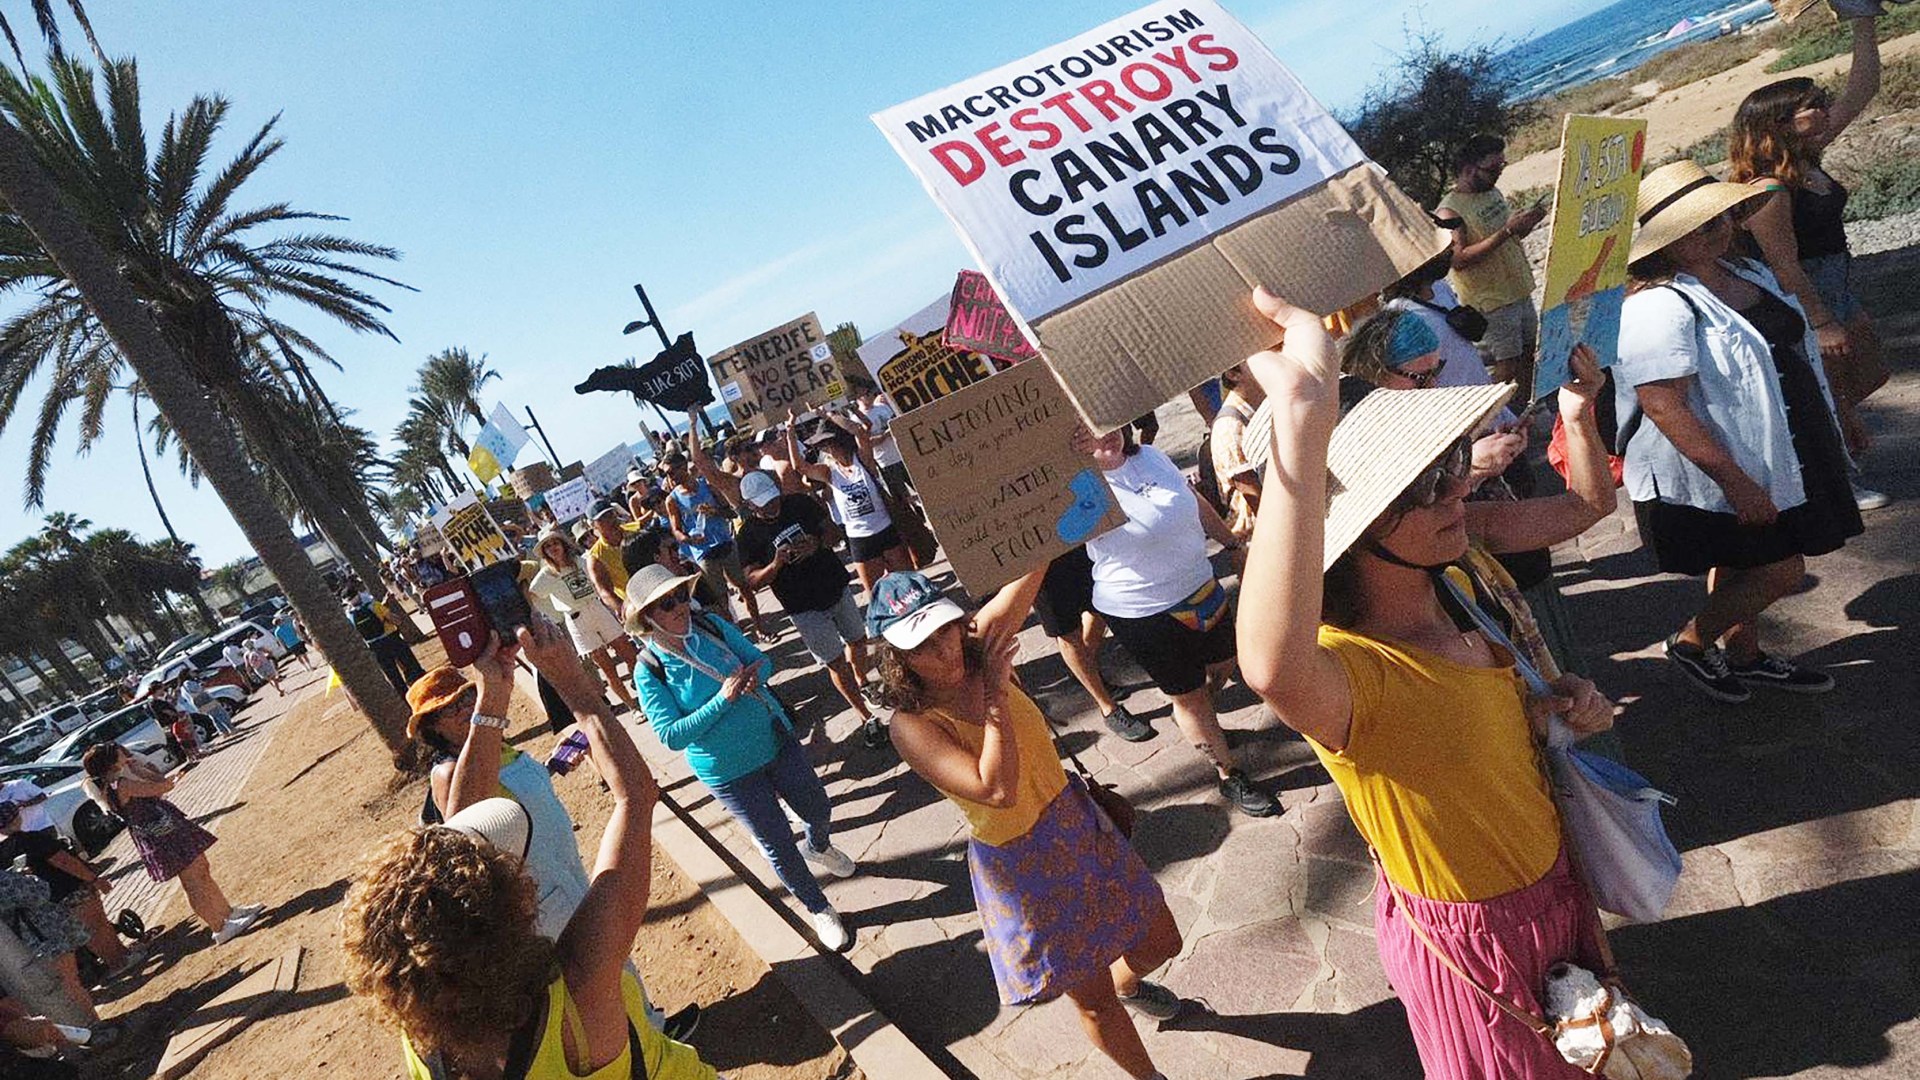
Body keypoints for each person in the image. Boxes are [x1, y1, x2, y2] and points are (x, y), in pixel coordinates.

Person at [1232, 288, 1618, 1078]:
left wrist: (1556, 710)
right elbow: (1268, 665)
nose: (1455, 490)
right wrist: (1304, 421)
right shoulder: (1347, 671)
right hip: (1471, 944)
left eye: (1447, 466)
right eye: (1419, 485)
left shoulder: (1457, 585)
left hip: (1553, 888)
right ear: (1353, 529)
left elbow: (1477, 744)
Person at [343, 617, 716, 1080]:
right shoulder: (581, 980)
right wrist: (572, 684)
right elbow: (636, 797)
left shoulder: (425, 1046)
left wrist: (494, 695)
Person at [872, 570, 1186, 1080]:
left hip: (1076, 821)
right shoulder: (913, 725)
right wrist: (995, 693)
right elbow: (996, 789)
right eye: (922, 646)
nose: (946, 652)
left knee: (1160, 941)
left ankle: (1128, 984)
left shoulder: (979, 645)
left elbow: (1031, 565)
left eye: (945, 631)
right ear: (898, 658)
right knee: (1093, 1000)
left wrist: (1061, 505)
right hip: (1022, 863)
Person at [1617, 161, 1859, 702]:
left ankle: (1745, 656)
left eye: (1721, 217)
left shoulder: (1748, 273)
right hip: (1724, 465)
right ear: (1667, 240)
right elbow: (1662, 404)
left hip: (1785, 445)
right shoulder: (1658, 305)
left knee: (1741, 563)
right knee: (1781, 568)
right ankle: (1689, 642)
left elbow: (1793, 354)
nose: (1718, 230)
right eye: (1699, 226)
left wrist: (1842, 414)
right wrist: (1735, 481)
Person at [624, 564, 860, 952]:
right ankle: (819, 908)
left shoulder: (713, 627)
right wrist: (722, 700)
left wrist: (755, 675)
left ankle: (818, 845)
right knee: (778, 843)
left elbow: (762, 661)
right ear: (648, 618)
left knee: (817, 806)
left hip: (775, 737)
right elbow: (670, 736)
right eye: (667, 603)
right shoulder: (649, 670)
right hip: (729, 772)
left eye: (681, 595)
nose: (680, 606)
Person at [1073, 424, 1276, 817]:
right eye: (1089, 432)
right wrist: (1073, 463)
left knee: (1224, 665)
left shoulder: (1150, 456)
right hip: (1142, 610)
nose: (1106, 434)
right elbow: (1060, 529)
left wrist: (1231, 542)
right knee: (1189, 694)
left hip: (1201, 589)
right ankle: (1228, 773)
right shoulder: (1079, 484)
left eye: (1108, 423)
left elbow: (1195, 500)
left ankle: (1197, 716)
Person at [1729, 15, 1889, 510]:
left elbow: (1862, 90)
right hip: (1806, 294)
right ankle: (1837, 479)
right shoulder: (1769, 188)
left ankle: (1815, 442)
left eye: (1821, 101)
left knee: (1870, 371)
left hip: (1836, 281)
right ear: (1778, 124)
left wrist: (1864, 22)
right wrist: (1819, 322)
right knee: (1832, 385)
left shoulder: (1804, 157)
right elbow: (1784, 264)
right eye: (1811, 106)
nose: (1823, 109)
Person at [734, 471, 887, 747]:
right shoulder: (747, 536)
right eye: (764, 504)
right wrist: (776, 563)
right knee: (835, 661)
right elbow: (752, 581)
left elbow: (834, 531)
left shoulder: (799, 504)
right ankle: (865, 716)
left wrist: (817, 542)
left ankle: (863, 680)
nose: (772, 506)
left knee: (858, 640)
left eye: (773, 499)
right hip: (802, 605)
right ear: (750, 506)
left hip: (834, 585)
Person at [80, 743, 263, 946]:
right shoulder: (121, 784)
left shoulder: (114, 784)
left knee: (201, 870)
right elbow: (164, 785)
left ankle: (228, 913)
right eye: (117, 751)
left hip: (165, 830)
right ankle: (218, 927)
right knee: (193, 881)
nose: (123, 752)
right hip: (163, 834)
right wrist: (140, 769)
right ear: (111, 762)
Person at [1434, 134, 1548, 395]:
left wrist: (1524, 224)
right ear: (1468, 169)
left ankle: (1527, 407)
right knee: (1506, 364)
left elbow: (1506, 236)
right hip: (1491, 302)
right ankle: (1496, 414)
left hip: (1517, 290)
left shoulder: (1491, 193)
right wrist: (1507, 232)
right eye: (1492, 169)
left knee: (1529, 354)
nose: (1497, 174)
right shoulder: (1450, 211)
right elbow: (1458, 260)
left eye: (1501, 167)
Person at [0, 801, 138, 981]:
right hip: (70, 888)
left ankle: (123, 954)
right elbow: (63, 861)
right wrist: (94, 879)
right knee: (97, 927)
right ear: (16, 817)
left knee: (95, 928)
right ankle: (118, 962)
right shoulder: (32, 839)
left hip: (50, 900)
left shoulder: (3, 853)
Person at [787, 412, 911, 599]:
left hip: (886, 528)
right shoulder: (829, 472)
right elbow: (800, 467)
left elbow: (860, 430)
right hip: (859, 539)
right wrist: (790, 432)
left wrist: (827, 414)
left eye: (828, 443)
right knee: (876, 596)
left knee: (908, 585)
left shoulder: (862, 460)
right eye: (822, 446)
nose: (826, 449)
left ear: (840, 440)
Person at [1032, 549, 1148, 742]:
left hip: (1077, 542)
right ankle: (1108, 708)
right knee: (1067, 633)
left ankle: (1085, 669)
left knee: (1103, 606)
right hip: (1034, 562)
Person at [527, 526, 641, 715]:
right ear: (544, 552)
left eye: (555, 542)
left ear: (563, 544)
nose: (553, 548)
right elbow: (531, 594)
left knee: (630, 655)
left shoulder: (582, 561)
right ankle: (633, 707)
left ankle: (645, 694)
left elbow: (600, 578)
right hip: (577, 620)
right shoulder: (546, 575)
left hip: (597, 608)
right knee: (608, 669)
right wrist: (545, 617)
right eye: (548, 546)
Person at [1209, 364, 1265, 543]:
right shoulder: (1230, 426)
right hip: (1258, 533)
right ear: (1233, 374)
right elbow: (1252, 493)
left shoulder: (1264, 402)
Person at [346, 588, 425, 693]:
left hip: (375, 647)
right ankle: (421, 688)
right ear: (358, 594)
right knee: (411, 666)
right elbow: (395, 620)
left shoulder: (349, 615)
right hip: (392, 639)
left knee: (393, 676)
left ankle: (404, 696)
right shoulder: (374, 605)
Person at [584, 498, 643, 613]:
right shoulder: (596, 557)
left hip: (659, 585)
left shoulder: (636, 530)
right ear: (593, 525)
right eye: (602, 519)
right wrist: (624, 610)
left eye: (610, 514)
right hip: (636, 603)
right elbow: (604, 592)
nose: (610, 520)